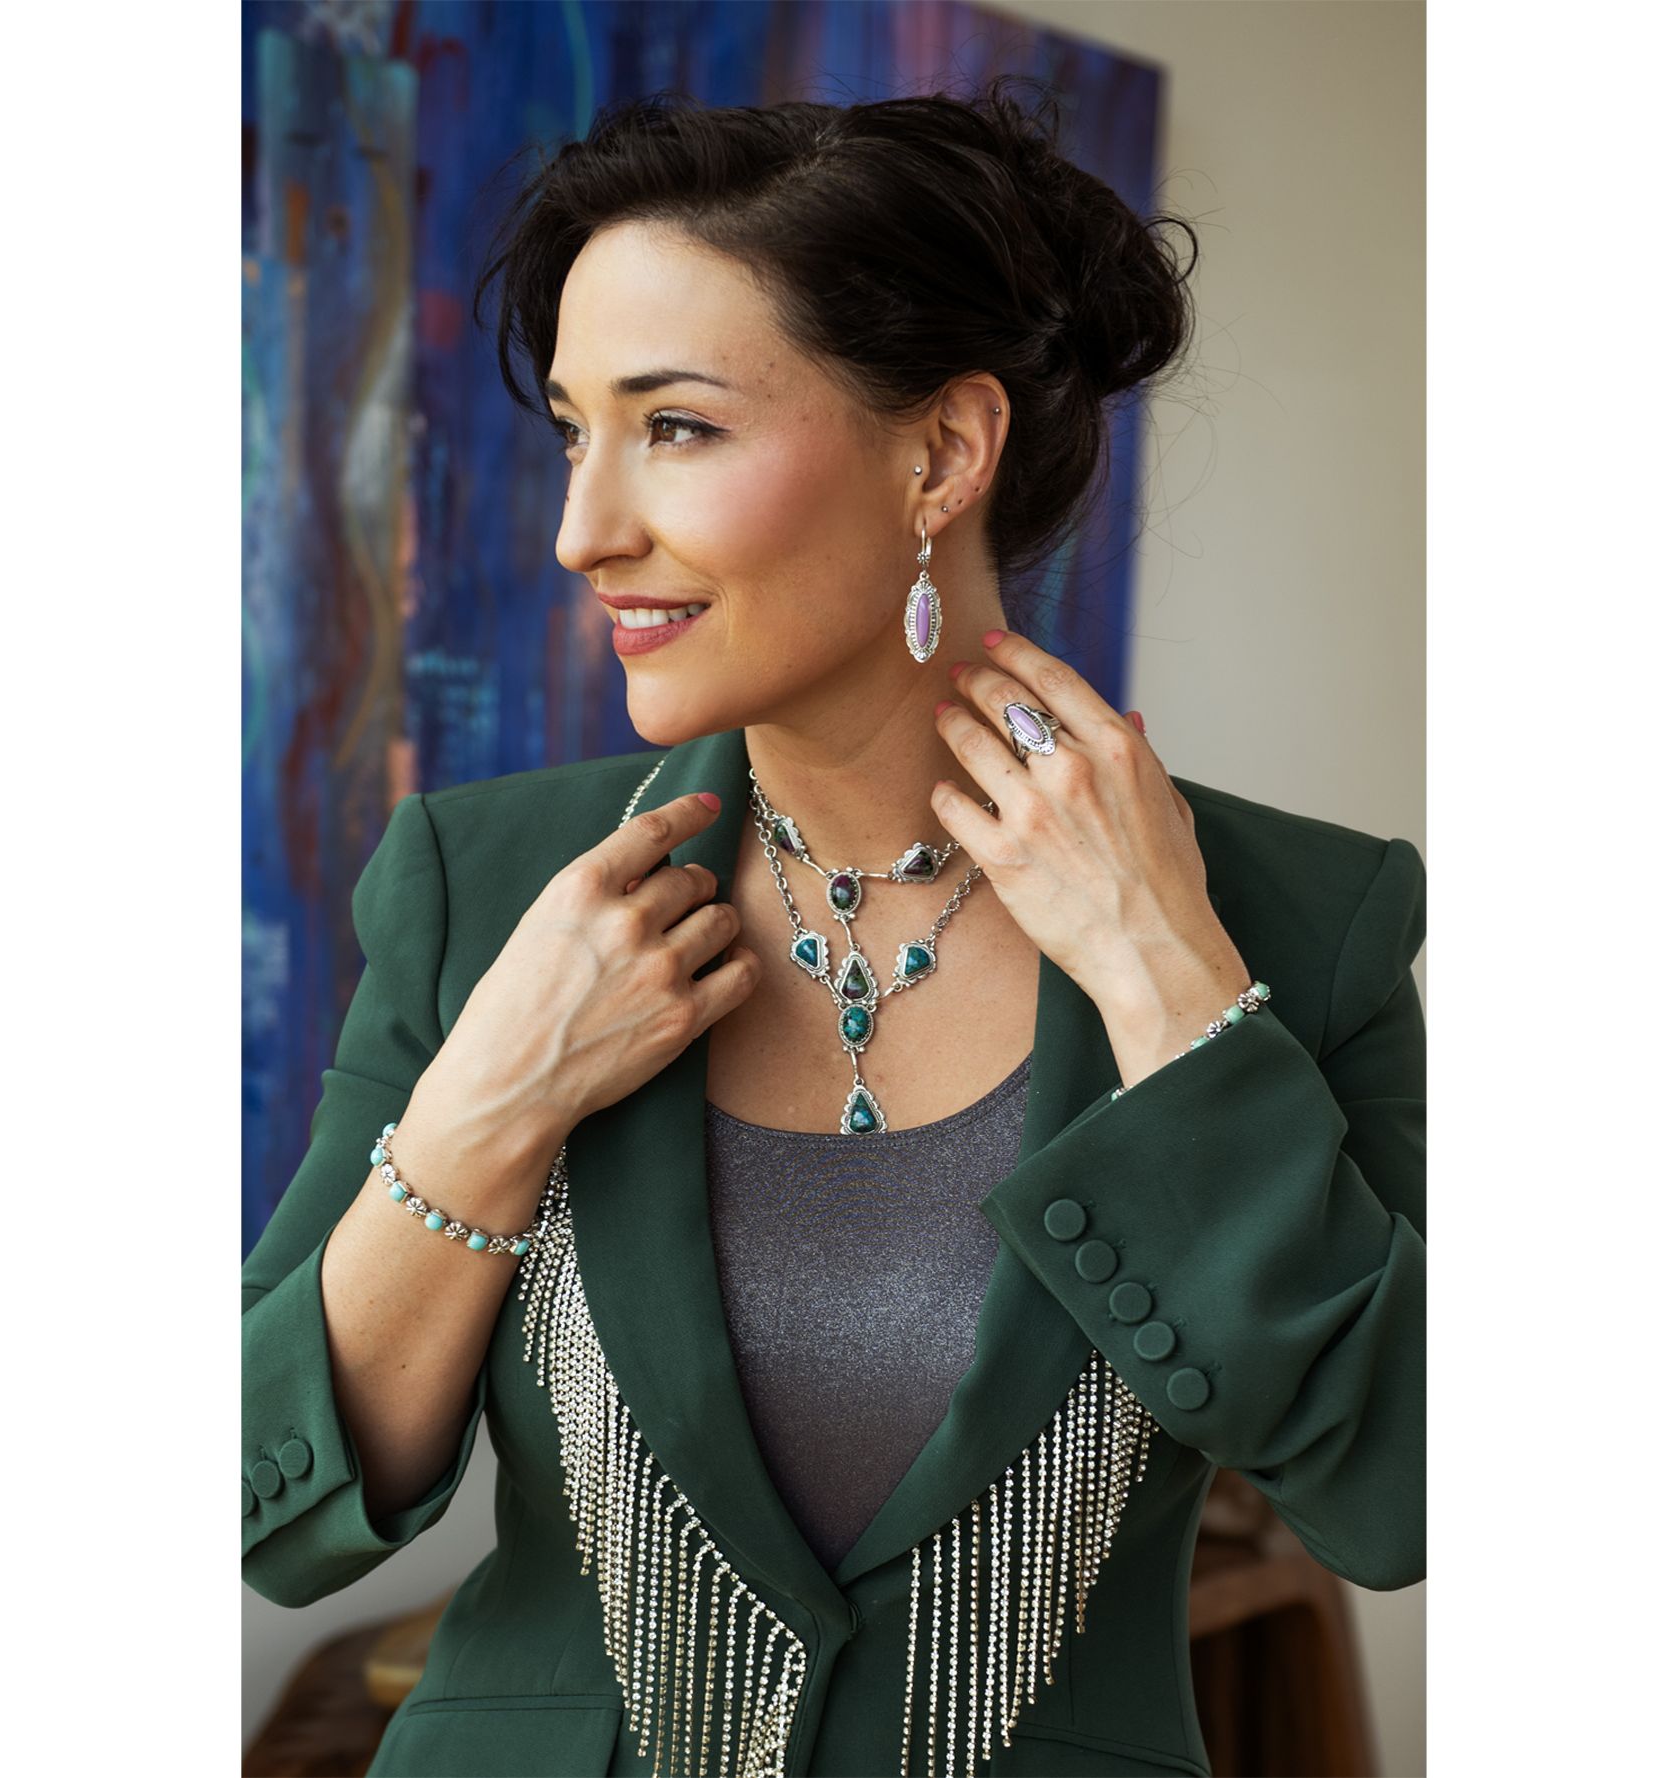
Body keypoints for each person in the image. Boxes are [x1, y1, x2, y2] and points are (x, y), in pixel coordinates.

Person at [242, 76, 1425, 1778]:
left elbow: (1402, 1492)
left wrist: (1167, 980)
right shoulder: (483, 887)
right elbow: (268, 1509)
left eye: (675, 427)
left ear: (941, 454)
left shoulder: (1298, 924)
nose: (583, 531)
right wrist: (491, 1104)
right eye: (573, 431)